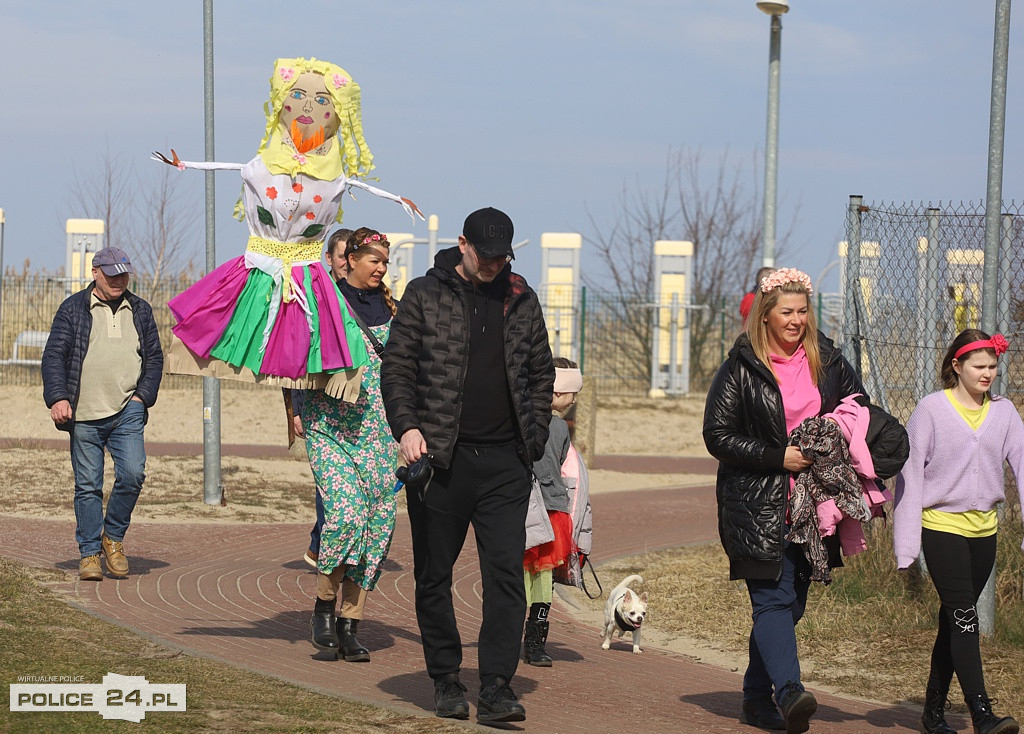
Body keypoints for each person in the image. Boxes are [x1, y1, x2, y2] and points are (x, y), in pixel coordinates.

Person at [381, 207, 554, 724]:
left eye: (504, 257)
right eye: (486, 255)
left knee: (505, 577)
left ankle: (497, 685)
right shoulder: (423, 293)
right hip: (440, 462)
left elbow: (541, 374)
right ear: (463, 244)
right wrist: (407, 428)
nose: (494, 266)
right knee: (434, 575)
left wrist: (534, 439)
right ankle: (446, 679)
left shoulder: (521, 298)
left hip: (505, 464)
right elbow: (398, 367)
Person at [153, 57, 422, 386]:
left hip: (302, 270)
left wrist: (396, 199)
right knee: (233, 322)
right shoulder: (262, 164)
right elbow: (223, 166)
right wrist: (186, 165)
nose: (308, 106)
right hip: (262, 262)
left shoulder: (334, 176)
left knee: (312, 338)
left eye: (321, 100)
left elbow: (362, 185)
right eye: (300, 96)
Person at [703, 267, 864, 734]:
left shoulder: (828, 359)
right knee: (772, 600)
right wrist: (778, 458)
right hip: (758, 503)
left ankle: (755, 697)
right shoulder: (741, 365)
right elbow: (717, 434)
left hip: (816, 505)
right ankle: (789, 691)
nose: (796, 320)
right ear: (766, 316)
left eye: (803, 311)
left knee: (793, 603)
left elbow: (858, 402)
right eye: (787, 312)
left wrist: (837, 428)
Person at [894, 329, 1023, 734]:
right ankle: (982, 714)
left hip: (985, 531)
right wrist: (906, 545)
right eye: (979, 366)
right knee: (966, 617)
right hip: (942, 527)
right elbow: (909, 475)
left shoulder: (1004, 412)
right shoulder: (931, 409)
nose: (988, 374)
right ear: (957, 366)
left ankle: (932, 714)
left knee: (954, 621)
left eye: (993, 366)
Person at [299, 227, 399, 662]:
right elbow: (294, 354)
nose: (380, 268)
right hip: (330, 424)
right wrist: (296, 408)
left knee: (378, 525)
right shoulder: (324, 301)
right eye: (373, 259)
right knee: (343, 515)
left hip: (379, 430)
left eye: (385, 261)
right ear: (352, 259)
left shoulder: (396, 308)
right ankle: (324, 607)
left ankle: (350, 622)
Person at [41, 247, 164, 581]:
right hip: (83, 413)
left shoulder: (139, 310)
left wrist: (141, 399)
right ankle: (90, 554)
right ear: (95, 272)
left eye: (123, 274)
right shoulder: (73, 309)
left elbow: (154, 358)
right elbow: (54, 356)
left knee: (133, 474)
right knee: (88, 486)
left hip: (127, 410)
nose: (118, 281)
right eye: (111, 274)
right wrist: (58, 397)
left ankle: (113, 536)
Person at [522, 357, 591, 667]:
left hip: (545, 508)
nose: (573, 399)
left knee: (536, 574)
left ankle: (532, 636)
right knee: (540, 575)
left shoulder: (557, 426)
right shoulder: (554, 426)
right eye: (569, 393)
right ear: (553, 390)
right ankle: (532, 642)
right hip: (546, 507)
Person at [298, 225, 354, 568]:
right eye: (342, 256)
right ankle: (325, 546)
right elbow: (296, 356)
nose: (348, 263)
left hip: (358, 404)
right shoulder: (315, 296)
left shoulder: (370, 299)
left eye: (353, 256)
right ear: (329, 258)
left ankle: (324, 541)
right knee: (330, 480)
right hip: (318, 403)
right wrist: (295, 408)